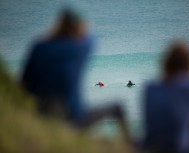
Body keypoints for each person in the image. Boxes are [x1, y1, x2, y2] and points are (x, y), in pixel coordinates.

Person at [21, 9, 130, 142]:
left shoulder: (38, 47)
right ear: (78, 28)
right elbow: (91, 38)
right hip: (75, 117)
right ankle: (131, 147)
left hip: (45, 116)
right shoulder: (80, 47)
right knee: (118, 107)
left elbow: (26, 85)